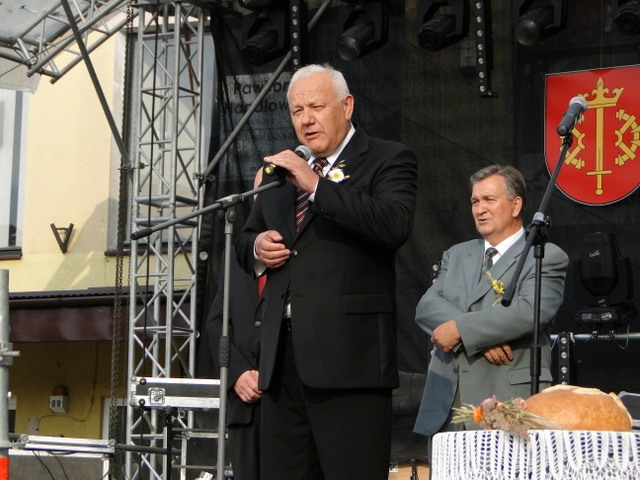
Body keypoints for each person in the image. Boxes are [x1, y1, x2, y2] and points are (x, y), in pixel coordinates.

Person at [235, 63, 418, 480]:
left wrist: (316, 186)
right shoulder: (278, 174)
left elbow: (393, 224)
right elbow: (245, 242)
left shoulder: (388, 158)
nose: (306, 119)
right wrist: (259, 247)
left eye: (316, 107)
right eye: (297, 111)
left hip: (350, 360)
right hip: (281, 362)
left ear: (347, 105)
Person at [413, 164, 568, 443]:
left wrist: (461, 330)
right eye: (475, 201)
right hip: (448, 403)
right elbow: (426, 306)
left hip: (507, 402)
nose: (479, 209)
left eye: (489, 200)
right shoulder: (457, 254)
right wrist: (480, 340)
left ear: (516, 205)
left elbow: (530, 311)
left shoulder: (544, 255)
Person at [206, 170, 264, 480]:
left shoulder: (307, 251)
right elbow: (217, 324)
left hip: (290, 403)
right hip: (245, 408)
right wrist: (237, 373)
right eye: (260, 194)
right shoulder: (235, 256)